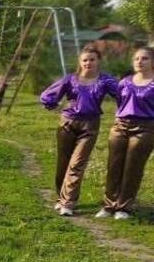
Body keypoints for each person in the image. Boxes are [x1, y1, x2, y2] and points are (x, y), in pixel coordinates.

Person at [39, 47, 119, 216]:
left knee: (77, 163)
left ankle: (68, 203)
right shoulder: (70, 79)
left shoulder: (105, 81)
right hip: (67, 123)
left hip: (90, 126)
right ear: (80, 62)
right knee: (63, 163)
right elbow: (49, 95)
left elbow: (124, 94)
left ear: (98, 61)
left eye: (92, 59)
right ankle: (60, 198)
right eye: (85, 60)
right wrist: (54, 105)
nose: (88, 63)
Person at [96, 45, 154, 220]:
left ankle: (124, 207)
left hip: (146, 127)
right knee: (114, 166)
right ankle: (109, 205)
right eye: (136, 58)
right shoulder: (125, 81)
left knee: (133, 167)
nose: (139, 61)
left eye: (144, 58)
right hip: (120, 126)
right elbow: (120, 102)